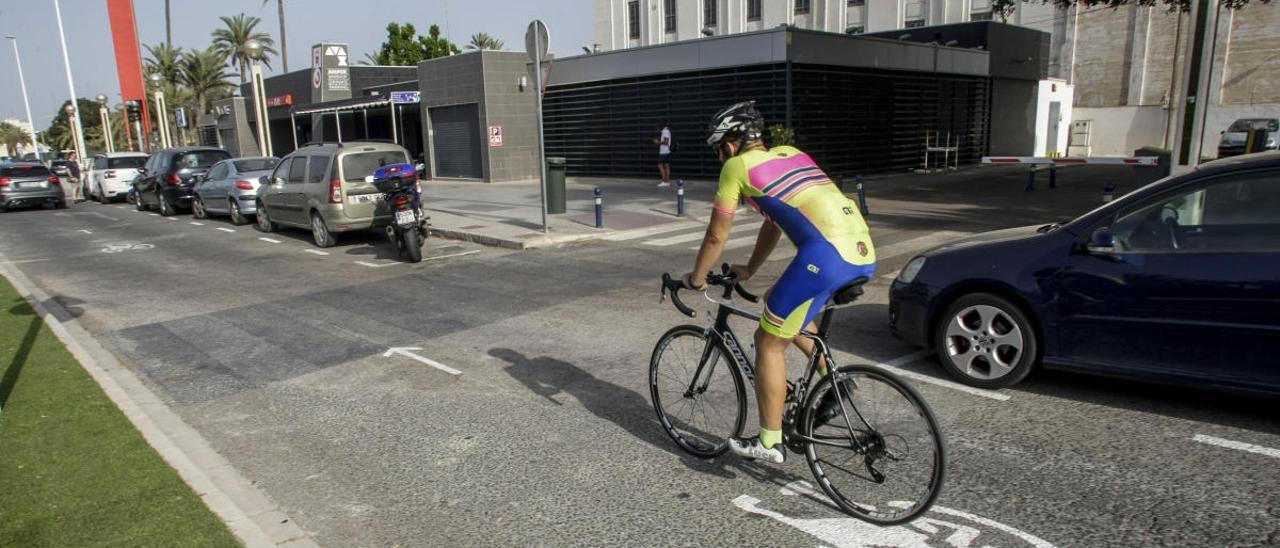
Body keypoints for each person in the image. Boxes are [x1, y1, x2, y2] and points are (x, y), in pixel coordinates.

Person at [682, 101, 876, 464]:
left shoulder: (736, 167)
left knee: (768, 342)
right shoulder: (793, 154)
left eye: (719, 149)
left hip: (827, 257)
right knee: (780, 301)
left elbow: (715, 235)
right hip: (862, 251)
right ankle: (835, 382)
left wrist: (697, 277)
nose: (720, 156)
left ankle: (769, 441)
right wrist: (751, 270)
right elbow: (774, 222)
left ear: (729, 144)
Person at [653, 120, 672, 188]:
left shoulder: (665, 131)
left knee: (660, 165)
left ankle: (664, 181)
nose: (657, 128)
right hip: (667, 151)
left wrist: (658, 142)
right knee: (666, 166)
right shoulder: (667, 131)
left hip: (663, 152)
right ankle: (667, 182)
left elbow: (666, 142)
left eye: (658, 126)